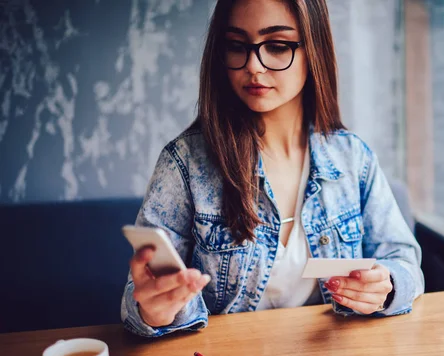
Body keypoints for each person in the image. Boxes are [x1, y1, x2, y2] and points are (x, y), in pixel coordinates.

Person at [121, 0, 424, 338]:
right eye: (237, 46)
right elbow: (139, 298)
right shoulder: (185, 163)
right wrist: (157, 311)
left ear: (315, 50)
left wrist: (387, 285)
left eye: (277, 46)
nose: (253, 66)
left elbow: (404, 259)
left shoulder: (353, 158)